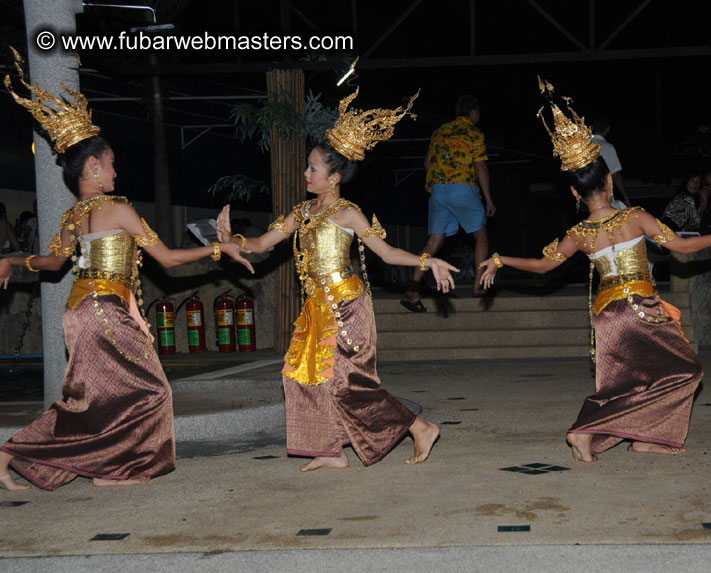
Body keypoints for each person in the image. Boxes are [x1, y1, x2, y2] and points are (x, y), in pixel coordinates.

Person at [0, 51, 252, 491]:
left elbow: (52, 264)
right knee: (152, 391)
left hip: (82, 312)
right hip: (102, 312)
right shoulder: (117, 209)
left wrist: (11, 259)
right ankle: (94, 465)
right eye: (112, 162)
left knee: (97, 398)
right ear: (94, 167)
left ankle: (82, 466)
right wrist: (219, 247)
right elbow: (168, 260)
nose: (117, 170)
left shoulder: (74, 216)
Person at [478, 78, 711, 463]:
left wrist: (500, 258)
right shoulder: (636, 217)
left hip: (607, 313)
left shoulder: (579, 233)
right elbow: (682, 246)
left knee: (633, 382)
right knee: (687, 371)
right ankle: (584, 431)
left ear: (574, 194)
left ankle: (645, 437)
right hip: (642, 307)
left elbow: (543, 267)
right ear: (609, 180)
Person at [218, 87, 456, 470]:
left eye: (313, 168)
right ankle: (330, 451)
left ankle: (419, 427)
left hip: (346, 304)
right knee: (300, 375)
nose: (306, 173)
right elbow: (262, 242)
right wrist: (231, 240)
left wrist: (430, 262)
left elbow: (387, 252)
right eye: (308, 167)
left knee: (348, 383)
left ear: (335, 177)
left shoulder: (348, 213)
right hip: (316, 305)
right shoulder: (302, 212)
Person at [402, 94, 495, 311]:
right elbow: (480, 167)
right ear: (474, 112)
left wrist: (435, 187)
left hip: (438, 189)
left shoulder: (440, 131)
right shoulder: (474, 132)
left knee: (433, 242)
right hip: (463, 187)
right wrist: (489, 199)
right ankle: (478, 286)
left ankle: (413, 287)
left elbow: (427, 163)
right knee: (480, 237)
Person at [590, 114, 632, 208]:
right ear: (608, 129)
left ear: (592, 127)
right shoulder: (607, 148)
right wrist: (625, 196)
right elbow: (616, 175)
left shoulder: (582, 146)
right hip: (602, 196)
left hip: (584, 193)